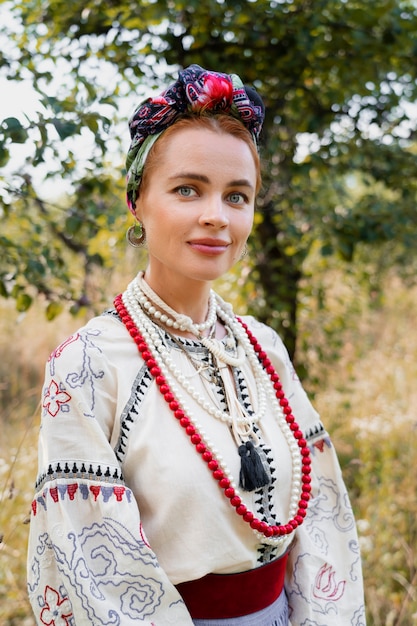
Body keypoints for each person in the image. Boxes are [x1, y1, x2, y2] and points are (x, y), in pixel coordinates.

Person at [27, 64, 365, 625]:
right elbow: (90, 562)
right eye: (188, 189)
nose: (216, 217)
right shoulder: (88, 364)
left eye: (238, 196)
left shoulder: (261, 348)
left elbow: (322, 516)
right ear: (137, 201)